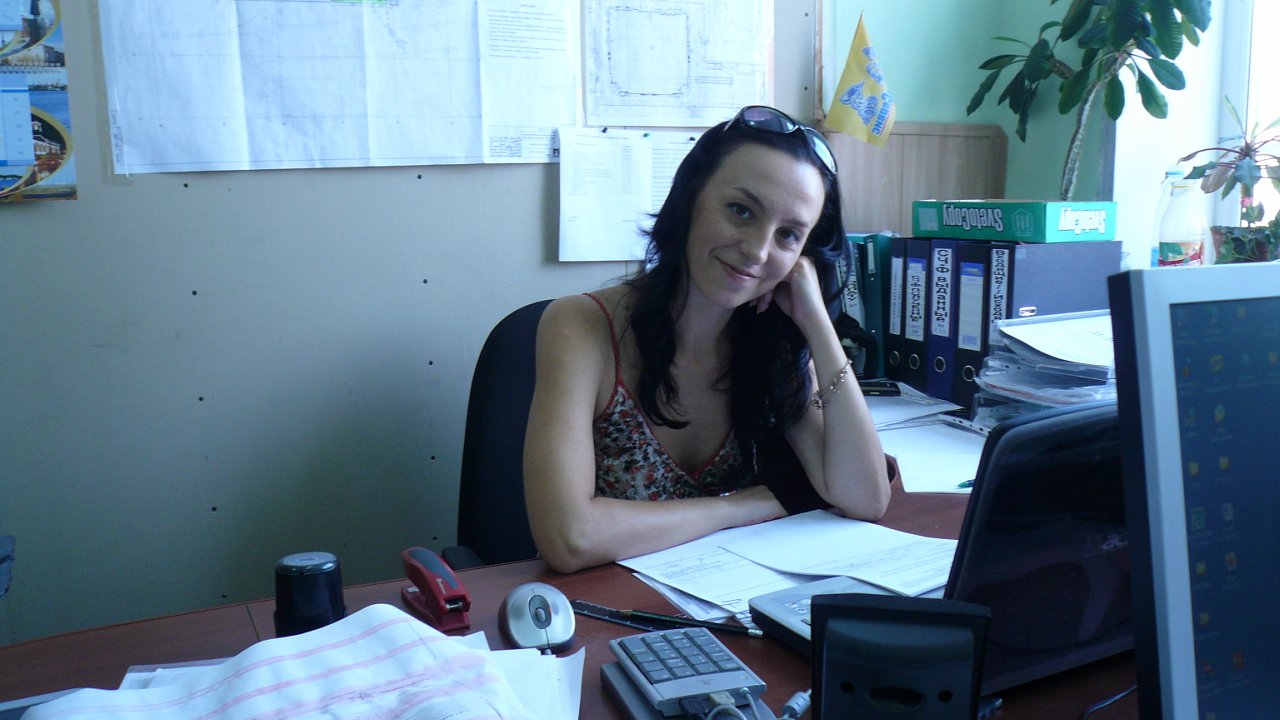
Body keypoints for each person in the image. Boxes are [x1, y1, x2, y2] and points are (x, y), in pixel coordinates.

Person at [524, 106, 892, 573]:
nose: (757, 250)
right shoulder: (580, 327)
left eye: (788, 235)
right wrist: (738, 507)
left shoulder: (773, 344)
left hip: (720, 597)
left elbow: (866, 498)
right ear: (690, 199)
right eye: (741, 211)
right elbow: (569, 537)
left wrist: (816, 321)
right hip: (602, 603)